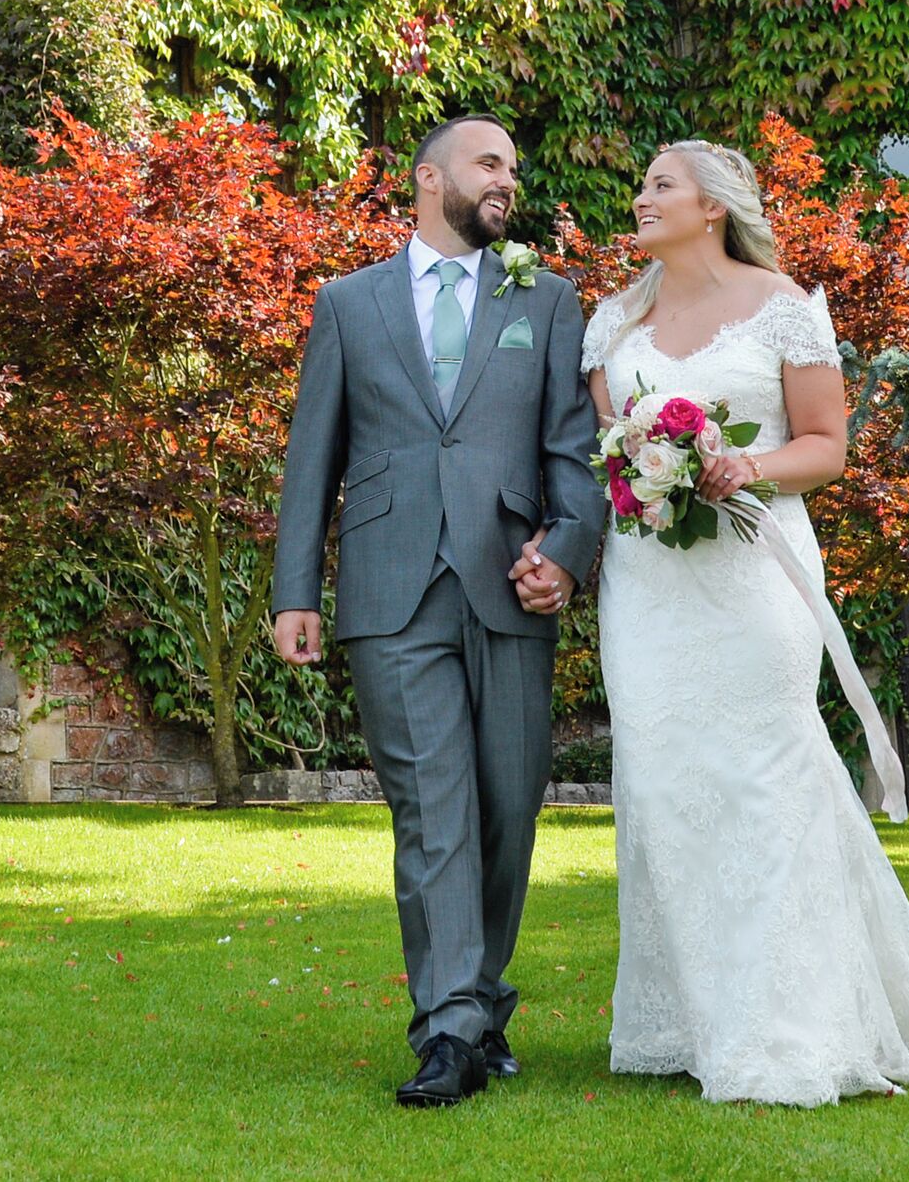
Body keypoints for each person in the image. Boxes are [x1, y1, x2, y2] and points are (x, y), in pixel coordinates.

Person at [586, 137, 909, 1106]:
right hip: (648, 588)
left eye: (659, 186)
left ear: (711, 206)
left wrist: (742, 468)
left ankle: (790, 1028)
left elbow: (827, 446)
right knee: (662, 789)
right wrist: (644, 472)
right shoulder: (612, 321)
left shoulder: (786, 310)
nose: (642, 199)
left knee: (764, 781)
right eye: (643, 186)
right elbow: (610, 453)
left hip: (757, 577)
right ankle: (687, 1022)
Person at [271, 113, 601, 1109]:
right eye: (489, 163)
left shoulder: (543, 301)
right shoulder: (349, 304)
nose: (508, 179)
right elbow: (311, 458)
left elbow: (573, 453)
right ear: (429, 179)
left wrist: (569, 554)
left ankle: (481, 1002)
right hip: (389, 585)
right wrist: (298, 591)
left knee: (507, 808)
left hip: (509, 583)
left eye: (513, 167)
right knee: (435, 812)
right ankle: (449, 1031)